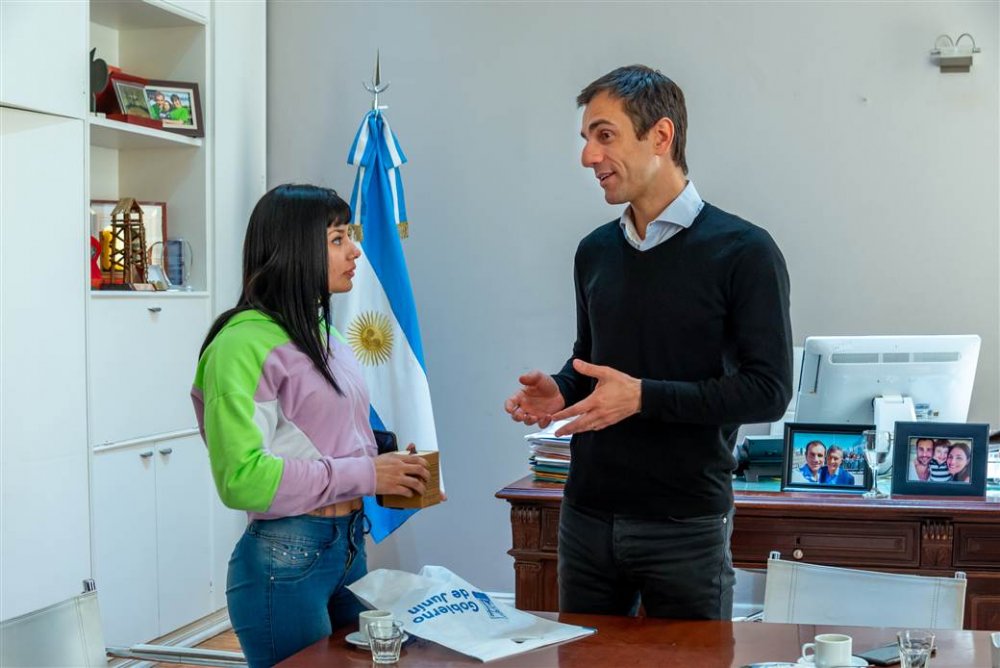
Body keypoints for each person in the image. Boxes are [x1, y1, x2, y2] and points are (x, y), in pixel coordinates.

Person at [503, 65, 792, 620]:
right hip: (586, 516)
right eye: (586, 138)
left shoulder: (745, 252)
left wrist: (643, 398)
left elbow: (768, 390)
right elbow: (596, 361)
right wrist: (561, 390)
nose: (589, 156)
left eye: (604, 135)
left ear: (661, 137)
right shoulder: (594, 251)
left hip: (685, 526)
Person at [191, 184, 431, 667]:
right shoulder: (240, 345)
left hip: (345, 548)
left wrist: (388, 460)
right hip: (284, 562)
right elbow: (243, 480)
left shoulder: (321, 333)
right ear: (296, 247)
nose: (355, 250)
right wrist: (368, 473)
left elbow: (319, 431)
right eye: (338, 239)